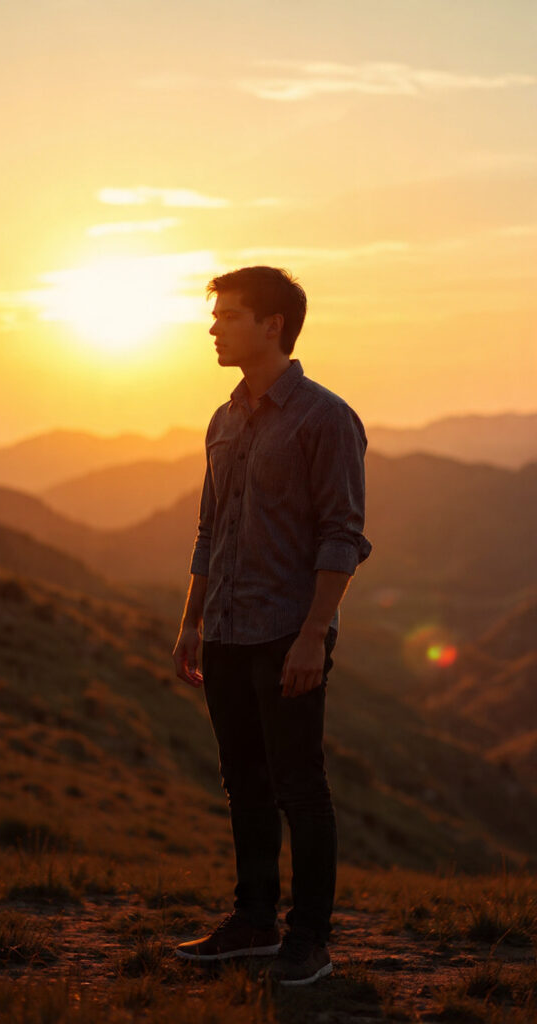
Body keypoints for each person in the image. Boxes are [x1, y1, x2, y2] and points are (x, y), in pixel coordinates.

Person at [172, 266, 371, 986]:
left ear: (273, 327)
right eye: (215, 315)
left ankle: (309, 940)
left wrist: (315, 634)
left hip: (288, 631)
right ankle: (252, 920)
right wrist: (191, 621)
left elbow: (342, 536)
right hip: (223, 631)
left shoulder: (326, 418)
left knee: (299, 785)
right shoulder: (223, 420)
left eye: (228, 316)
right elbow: (209, 530)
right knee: (244, 783)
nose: (214, 326)